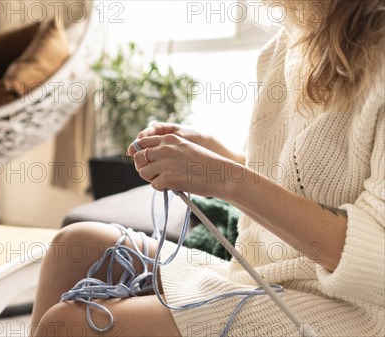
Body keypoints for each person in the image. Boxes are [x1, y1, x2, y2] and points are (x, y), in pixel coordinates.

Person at [30, 1, 384, 336]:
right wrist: (216, 156)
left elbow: (377, 261)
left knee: (67, 325)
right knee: (73, 246)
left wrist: (225, 177)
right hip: (267, 273)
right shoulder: (292, 39)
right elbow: (295, 180)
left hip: (355, 309)